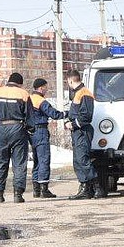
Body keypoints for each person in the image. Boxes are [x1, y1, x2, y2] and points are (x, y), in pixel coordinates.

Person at [0, 72, 34, 203]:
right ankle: (18, 194)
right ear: (20, 83)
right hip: (18, 129)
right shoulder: (23, 94)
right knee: (19, 163)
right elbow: (29, 116)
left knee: (1, 162)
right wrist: (30, 130)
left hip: (1, 128)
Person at [64, 69, 103, 200]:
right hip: (78, 132)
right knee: (78, 161)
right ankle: (85, 188)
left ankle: (97, 188)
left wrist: (73, 124)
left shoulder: (84, 93)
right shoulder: (78, 93)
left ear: (70, 80)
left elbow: (86, 116)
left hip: (82, 130)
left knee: (83, 160)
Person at [27, 78, 66, 198]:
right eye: (45, 87)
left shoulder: (28, 99)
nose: (46, 90)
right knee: (44, 159)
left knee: (37, 160)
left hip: (31, 132)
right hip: (41, 131)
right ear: (41, 88)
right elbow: (54, 114)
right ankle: (44, 189)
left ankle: (36, 189)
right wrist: (67, 114)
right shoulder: (40, 100)